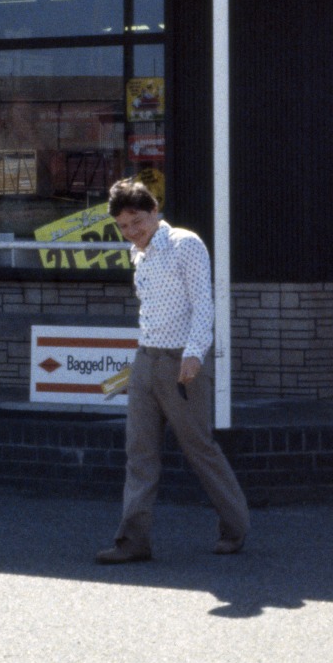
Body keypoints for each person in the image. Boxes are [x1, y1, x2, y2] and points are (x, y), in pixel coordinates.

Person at [94, 178, 250, 564]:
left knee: (199, 447)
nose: (131, 232)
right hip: (146, 360)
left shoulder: (185, 244)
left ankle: (235, 527)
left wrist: (195, 353)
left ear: (153, 211)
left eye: (136, 222)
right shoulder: (139, 254)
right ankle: (133, 542)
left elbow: (203, 304)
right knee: (139, 453)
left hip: (183, 362)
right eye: (123, 227)